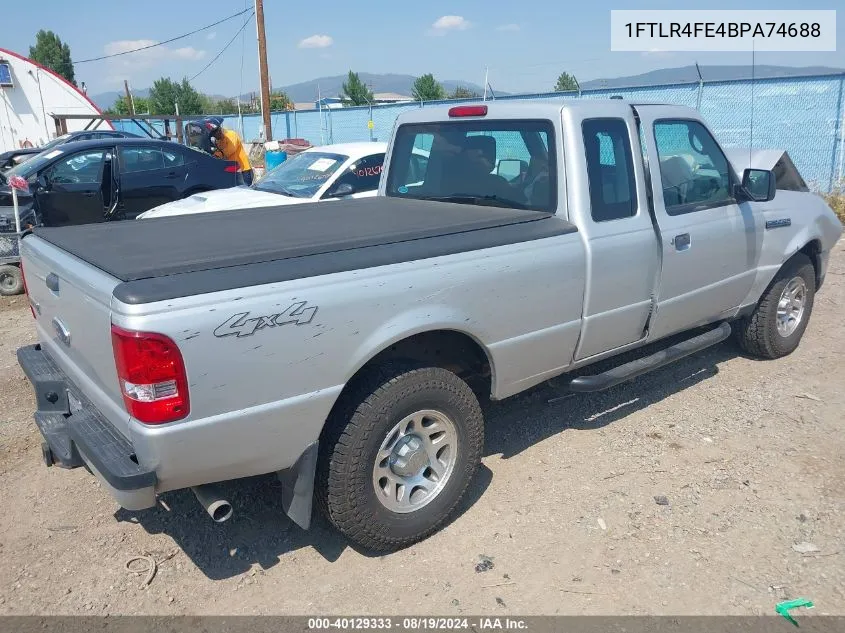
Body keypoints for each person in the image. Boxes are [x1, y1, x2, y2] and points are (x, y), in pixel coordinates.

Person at [206, 118, 254, 185]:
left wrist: (216, 155)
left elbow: (229, 151)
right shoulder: (218, 141)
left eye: (215, 134)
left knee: (245, 191)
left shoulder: (231, 135)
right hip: (233, 170)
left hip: (243, 170)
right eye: (213, 136)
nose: (215, 137)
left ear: (219, 130)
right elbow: (219, 152)